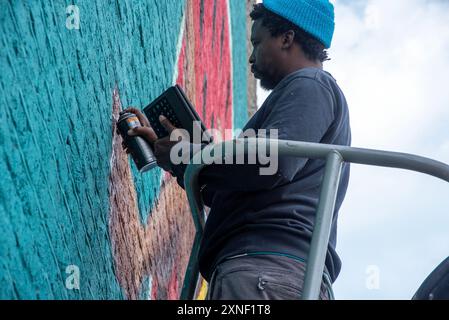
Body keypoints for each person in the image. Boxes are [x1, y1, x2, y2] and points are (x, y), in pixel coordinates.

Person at [121, 0, 351, 300]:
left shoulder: (311, 84)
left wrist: (186, 154)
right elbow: (234, 186)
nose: (252, 57)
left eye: (257, 42)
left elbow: (271, 165)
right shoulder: (299, 98)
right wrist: (176, 157)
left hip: (266, 271)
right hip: (264, 270)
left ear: (286, 38)